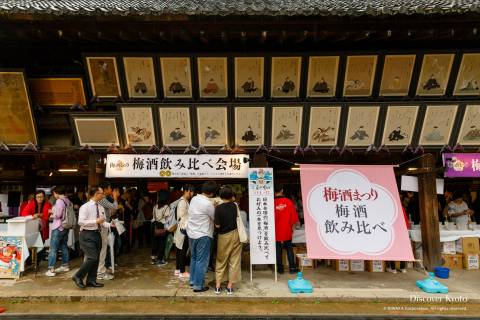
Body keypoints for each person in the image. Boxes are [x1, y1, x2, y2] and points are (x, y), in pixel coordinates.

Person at [72, 186, 111, 289]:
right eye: (101, 193)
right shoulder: (85, 207)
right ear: (95, 194)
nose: (103, 195)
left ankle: (91, 280)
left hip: (97, 233)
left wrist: (110, 225)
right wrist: (95, 221)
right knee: (92, 257)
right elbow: (80, 221)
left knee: (96, 258)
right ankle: (78, 276)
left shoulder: (101, 207)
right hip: (86, 234)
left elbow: (102, 222)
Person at [187, 180, 217, 293]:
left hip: (191, 233)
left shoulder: (194, 198)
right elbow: (214, 217)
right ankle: (198, 286)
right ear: (212, 193)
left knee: (194, 258)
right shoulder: (208, 204)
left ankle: (193, 281)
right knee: (201, 261)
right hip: (203, 234)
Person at [214, 186, 242, 295]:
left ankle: (217, 286)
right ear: (232, 196)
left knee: (221, 261)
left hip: (223, 237)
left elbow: (217, 225)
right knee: (234, 261)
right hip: (236, 235)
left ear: (220, 196)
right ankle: (230, 286)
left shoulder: (218, 208)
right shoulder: (235, 206)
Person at [45, 186, 71, 277]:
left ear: (56, 193)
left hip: (58, 227)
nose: (54, 195)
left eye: (54, 193)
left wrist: (52, 214)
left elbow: (58, 215)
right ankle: (65, 265)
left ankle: (51, 269)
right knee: (64, 246)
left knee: (53, 248)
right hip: (65, 227)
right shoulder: (67, 200)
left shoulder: (60, 201)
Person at [274, 184, 299, 274]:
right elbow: (294, 217)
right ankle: (292, 268)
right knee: (289, 248)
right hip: (286, 229)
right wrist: (292, 227)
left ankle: (280, 269)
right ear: (282, 190)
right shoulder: (288, 202)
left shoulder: (271, 202)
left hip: (275, 230)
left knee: (277, 249)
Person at [96, 183, 119, 281]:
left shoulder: (99, 201)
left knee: (102, 248)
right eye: (100, 193)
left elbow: (110, 211)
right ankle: (100, 271)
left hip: (103, 225)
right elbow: (115, 207)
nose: (102, 195)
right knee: (102, 248)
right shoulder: (102, 199)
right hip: (102, 226)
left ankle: (100, 269)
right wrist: (115, 197)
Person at [174, 184, 195, 279]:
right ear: (186, 191)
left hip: (181, 229)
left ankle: (178, 270)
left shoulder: (185, 201)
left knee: (179, 250)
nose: (192, 194)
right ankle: (182, 271)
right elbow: (182, 217)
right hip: (183, 229)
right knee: (182, 251)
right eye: (191, 192)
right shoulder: (183, 202)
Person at [151, 190, 170, 266]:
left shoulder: (155, 206)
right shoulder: (166, 207)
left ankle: (153, 258)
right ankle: (160, 260)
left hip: (154, 225)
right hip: (162, 225)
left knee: (155, 242)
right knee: (162, 243)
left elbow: (153, 217)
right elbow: (167, 219)